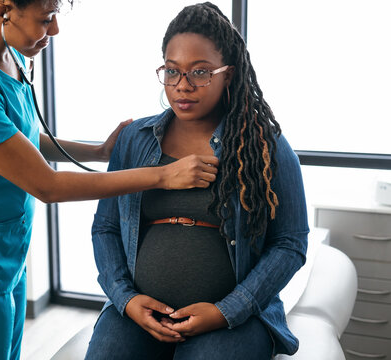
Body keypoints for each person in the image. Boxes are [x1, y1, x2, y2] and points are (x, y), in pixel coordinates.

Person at [0, 1, 219, 359]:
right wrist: (163, 175)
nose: (54, 30)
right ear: (3, 10)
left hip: (4, 256)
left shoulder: (8, 56)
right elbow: (47, 186)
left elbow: (19, 140)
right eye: (46, 19)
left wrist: (100, 152)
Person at [86, 2, 309, 359]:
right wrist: (125, 300)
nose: (182, 86)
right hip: (141, 313)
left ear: (229, 74)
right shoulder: (135, 140)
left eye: (200, 72)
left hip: (232, 318)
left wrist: (228, 310)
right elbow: (106, 228)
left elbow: (290, 242)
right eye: (172, 71)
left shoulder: (265, 146)